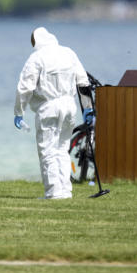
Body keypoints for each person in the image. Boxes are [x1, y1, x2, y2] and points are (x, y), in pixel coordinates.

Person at [13, 27, 89, 199]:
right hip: (70, 106)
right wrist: (88, 107)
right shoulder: (68, 53)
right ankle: (65, 191)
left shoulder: (36, 57)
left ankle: (53, 192)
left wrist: (19, 111)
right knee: (62, 149)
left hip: (48, 107)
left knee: (47, 150)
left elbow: (25, 88)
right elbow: (83, 81)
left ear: (36, 41)